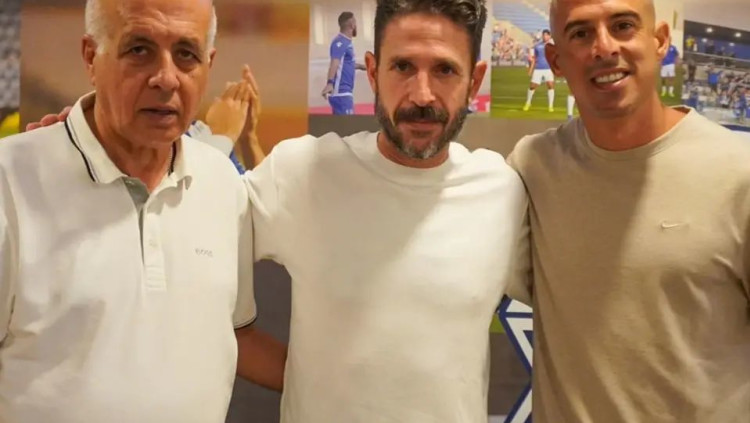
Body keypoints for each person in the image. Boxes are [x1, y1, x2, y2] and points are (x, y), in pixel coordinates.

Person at [0, 0, 285, 422]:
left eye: (186, 54)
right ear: (91, 57)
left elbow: (231, 333)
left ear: (208, 64)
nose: (166, 77)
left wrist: (348, 385)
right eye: (139, 49)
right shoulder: (9, 180)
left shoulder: (223, 184)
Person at [507, 0, 750, 421]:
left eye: (622, 26)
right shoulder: (533, 167)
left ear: (659, 41)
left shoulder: (739, 171)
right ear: (556, 60)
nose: (604, 47)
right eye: (580, 33)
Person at [320, 11, 367, 115]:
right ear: (352, 24)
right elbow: (335, 62)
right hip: (341, 93)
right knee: (348, 124)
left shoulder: (346, 42)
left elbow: (345, 64)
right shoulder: (340, 42)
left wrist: (362, 67)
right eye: (355, 23)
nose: (356, 26)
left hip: (345, 92)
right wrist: (329, 83)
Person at [523, 29, 555, 112]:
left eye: (546, 35)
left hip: (548, 69)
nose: (545, 37)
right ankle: (528, 103)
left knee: (550, 86)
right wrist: (530, 69)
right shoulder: (537, 46)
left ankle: (550, 106)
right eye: (544, 35)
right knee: (532, 86)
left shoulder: (553, 46)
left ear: (549, 36)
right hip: (538, 69)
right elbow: (533, 59)